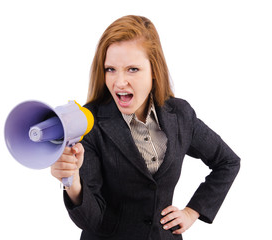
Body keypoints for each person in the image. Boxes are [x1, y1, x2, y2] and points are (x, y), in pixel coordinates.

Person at [51, 15, 240, 240]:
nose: (119, 82)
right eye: (110, 69)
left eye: (132, 69)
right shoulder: (88, 122)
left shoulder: (180, 115)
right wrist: (72, 182)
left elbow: (227, 162)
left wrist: (192, 212)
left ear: (154, 70)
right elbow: (93, 220)